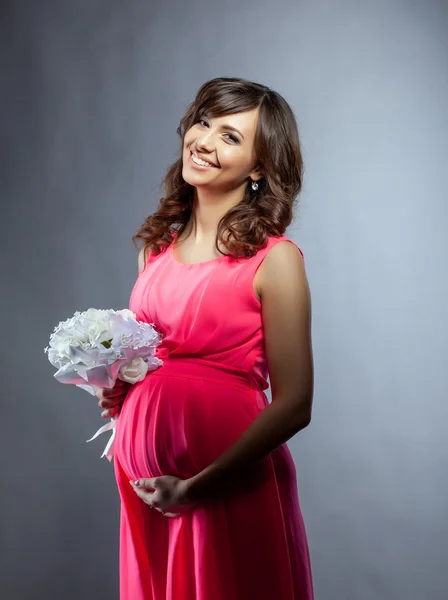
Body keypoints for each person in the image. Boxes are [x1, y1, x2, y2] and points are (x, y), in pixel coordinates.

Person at [97, 77, 314, 600]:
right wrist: (120, 391)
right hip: (150, 493)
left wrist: (197, 485)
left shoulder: (275, 259)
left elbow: (296, 405)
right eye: (203, 123)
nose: (205, 141)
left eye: (231, 136)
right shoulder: (156, 250)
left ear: (260, 167)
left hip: (220, 486)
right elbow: (157, 363)